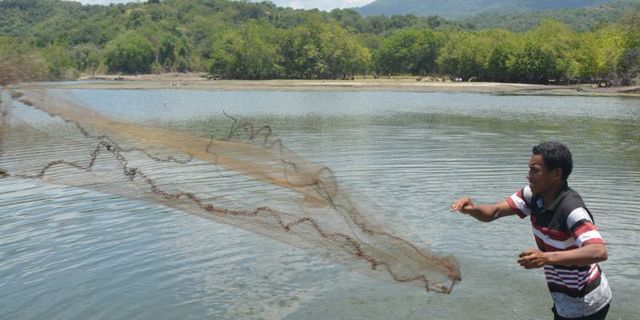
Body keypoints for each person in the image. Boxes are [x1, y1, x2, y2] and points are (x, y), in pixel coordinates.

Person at [450, 142, 611, 320]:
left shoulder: (571, 210)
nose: (528, 176)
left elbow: (599, 251)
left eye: (535, 170)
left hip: (587, 302)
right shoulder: (533, 196)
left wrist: (546, 257)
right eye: (529, 169)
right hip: (563, 297)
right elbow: (495, 211)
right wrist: (472, 209)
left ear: (556, 174)